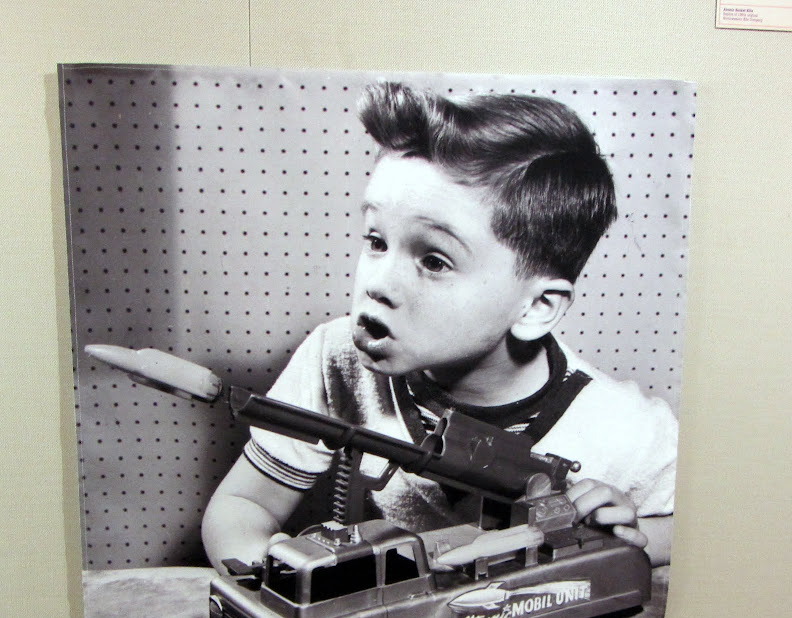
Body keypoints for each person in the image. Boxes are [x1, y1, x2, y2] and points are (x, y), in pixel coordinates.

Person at [202, 82, 677, 573]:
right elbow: (244, 505)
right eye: (376, 241)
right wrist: (277, 575)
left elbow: (701, 539)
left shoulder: (626, 428)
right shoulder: (336, 357)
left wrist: (625, 538)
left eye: (434, 261)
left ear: (536, 307)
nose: (377, 284)